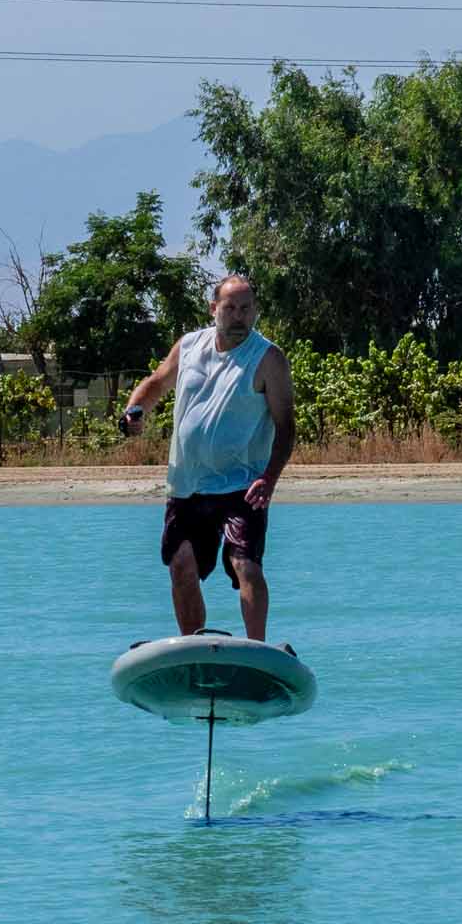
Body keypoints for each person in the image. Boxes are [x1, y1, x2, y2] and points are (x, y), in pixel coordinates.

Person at [119, 273, 295, 645]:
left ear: (255, 312)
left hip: (242, 484)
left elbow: (286, 426)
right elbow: (157, 382)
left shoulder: (268, 359)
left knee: (246, 566)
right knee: (181, 566)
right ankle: (192, 647)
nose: (238, 316)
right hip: (187, 484)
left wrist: (270, 477)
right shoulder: (189, 346)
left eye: (246, 309)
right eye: (230, 308)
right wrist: (135, 410)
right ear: (214, 309)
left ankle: (258, 651)